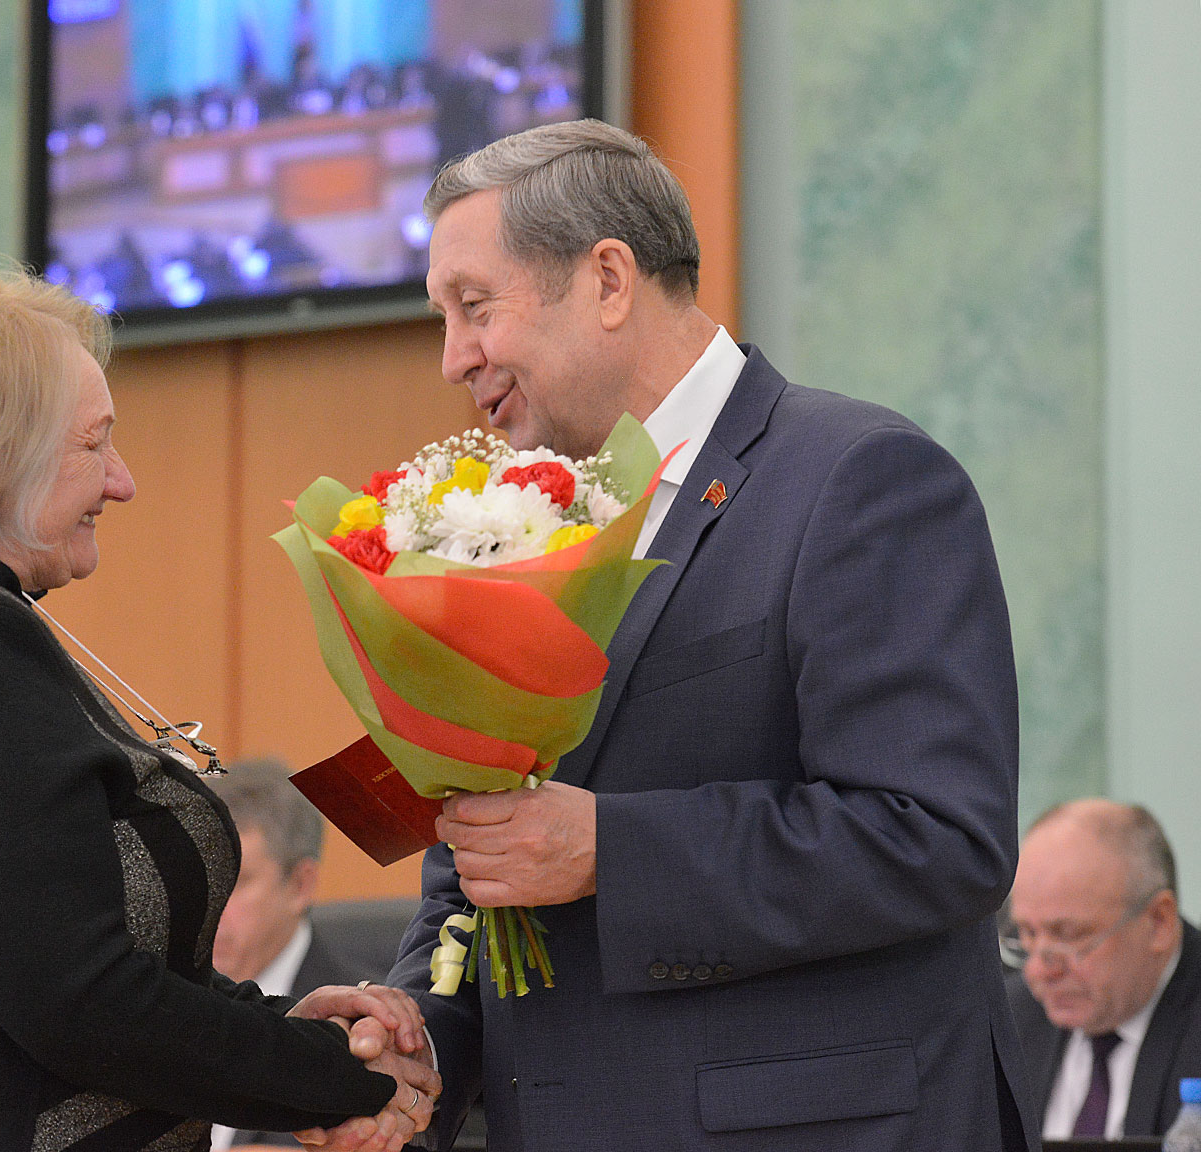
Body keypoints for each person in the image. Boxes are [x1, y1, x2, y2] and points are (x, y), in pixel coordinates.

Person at [320, 118, 1028, 1151]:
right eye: (443, 318)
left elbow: (940, 838)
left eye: (474, 307)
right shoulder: (516, 527)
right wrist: (423, 1039)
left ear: (609, 280)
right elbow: (489, 864)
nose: (452, 358)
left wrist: (613, 850)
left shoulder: (861, 478)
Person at [0, 266, 438, 1152]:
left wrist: (277, 1031)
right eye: (94, 445)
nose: (123, 482)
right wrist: (337, 1077)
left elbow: (59, 949)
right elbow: (77, 1000)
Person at [207, 760, 393, 1151]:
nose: (210, 905)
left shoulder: (365, 1028)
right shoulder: (155, 996)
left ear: (300, 885)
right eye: (203, 879)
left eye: (237, 881)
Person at [1005, 799, 1201, 1139]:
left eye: (1069, 936)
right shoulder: (1009, 1021)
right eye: (1027, 934)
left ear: (1159, 922)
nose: (1038, 971)